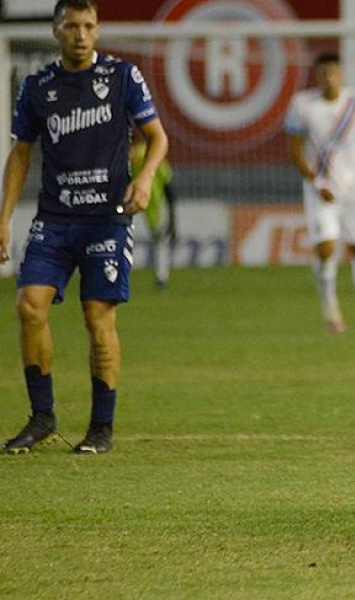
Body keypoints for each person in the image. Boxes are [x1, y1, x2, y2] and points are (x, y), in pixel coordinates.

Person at [0, 0, 169, 454]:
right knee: (29, 306)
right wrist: (3, 218)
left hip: (106, 221)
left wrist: (146, 177)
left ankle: (101, 428)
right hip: (54, 219)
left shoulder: (121, 77)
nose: (80, 34)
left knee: (98, 317)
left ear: (98, 30)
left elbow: (157, 137)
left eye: (88, 25)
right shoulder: (39, 86)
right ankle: (42, 416)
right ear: (56, 31)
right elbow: (21, 153)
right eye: (71, 26)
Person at [284, 51, 355, 335]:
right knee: (327, 248)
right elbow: (294, 150)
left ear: (341, 74)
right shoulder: (303, 105)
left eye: (334, 71)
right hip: (321, 192)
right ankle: (331, 310)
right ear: (317, 76)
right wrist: (317, 183)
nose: (329, 77)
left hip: (354, 191)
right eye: (324, 72)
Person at [130, 135, 176, 289]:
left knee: (121, 236)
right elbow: (168, 186)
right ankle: (161, 278)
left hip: (131, 200)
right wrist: (173, 219)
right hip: (154, 203)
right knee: (160, 242)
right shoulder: (156, 156)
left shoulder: (132, 155)